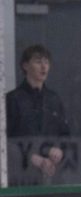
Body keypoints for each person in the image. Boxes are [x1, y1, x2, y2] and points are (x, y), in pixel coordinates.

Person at [5, 44, 71, 181]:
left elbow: (65, 135)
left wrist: (59, 150)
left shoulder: (54, 99)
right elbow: (6, 140)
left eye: (46, 62)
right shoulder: (12, 99)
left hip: (52, 173)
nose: (43, 66)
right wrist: (30, 157)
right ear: (25, 66)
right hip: (21, 175)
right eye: (38, 61)